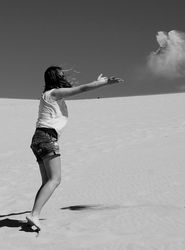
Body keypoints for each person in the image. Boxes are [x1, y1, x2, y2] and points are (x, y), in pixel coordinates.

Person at [26, 66, 123, 230]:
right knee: (55, 179)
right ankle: (34, 214)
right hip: (47, 138)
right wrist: (103, 82)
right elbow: (82, 89)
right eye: (61, 74)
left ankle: (35, 213)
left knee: (46, 182)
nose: (63, 76)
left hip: (38, 139)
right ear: (55, 78)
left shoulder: (50, 96)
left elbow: (74, 90)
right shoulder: (54, 93)